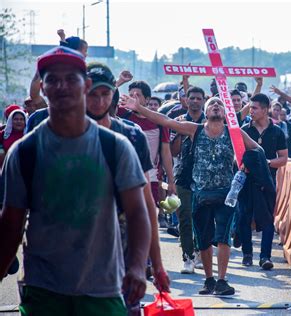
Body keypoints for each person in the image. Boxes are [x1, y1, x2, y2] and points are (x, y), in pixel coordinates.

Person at [0, 46, 150, 315]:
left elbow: (138, 213)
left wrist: (138, 267)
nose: (62, 86)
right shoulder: (24, 153)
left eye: (71, 79)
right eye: (52, 80)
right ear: (42, 89)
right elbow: (11, 225)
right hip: (43, 294)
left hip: (103, 292)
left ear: (86, 85)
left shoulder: (115, 147)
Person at [120, 94, 259, 295]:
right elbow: (165, 121)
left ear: (225, 113)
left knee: (223, 238)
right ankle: (209, 280)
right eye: (212, 104)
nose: (217, 107)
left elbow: (257, 150)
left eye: (220, 104)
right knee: (202, 239)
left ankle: (221, 280)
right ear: (206, 111)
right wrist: (139, 108)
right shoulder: (195, 130)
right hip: (201, 194)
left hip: (226, 195)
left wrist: (246, 166)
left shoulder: (234, 133)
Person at [85, 62, 170, 313]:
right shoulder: (63, 137)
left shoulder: (131, 137)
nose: (99, 101)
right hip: (76, 256)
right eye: (92, 94)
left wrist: (156, 265)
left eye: (105, 94)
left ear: (113, 95)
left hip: (122, 252)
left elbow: (146, 207)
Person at [117, 81, 176, 228]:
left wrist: (171, 181)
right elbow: (103, 100)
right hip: (125, 175)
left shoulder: (158, 121)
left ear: (147, 99)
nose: (133, 98)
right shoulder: (122, 115)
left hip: (152, 176)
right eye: (130, 95)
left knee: (146, 219)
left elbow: (166, 152)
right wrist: (119, 82)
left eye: (137, 95)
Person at [241, 93, 288, 269]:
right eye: (250, 107)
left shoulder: (277, 132)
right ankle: (247, 254)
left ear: (265, 110)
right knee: (244, 215)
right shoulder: (244, 130)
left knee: (268, 218)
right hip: (247, 181)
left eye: (254, 108)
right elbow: (236, 156)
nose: (250, 111)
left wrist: (265, 162)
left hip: (268, 181)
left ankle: (265, 257)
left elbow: (283, 159)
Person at [170, 86, 207, 274]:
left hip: (205, 178)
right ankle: (188, 257)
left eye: (198, 98)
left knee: (201, 218)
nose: (194, 101)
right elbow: (173, 152)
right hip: (183, 176)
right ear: (186, 100)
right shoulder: (179, 122)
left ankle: (201, 252)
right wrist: (179, 131)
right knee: (184, 217)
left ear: (203, 100)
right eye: (191, 98)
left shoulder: (209, 123)